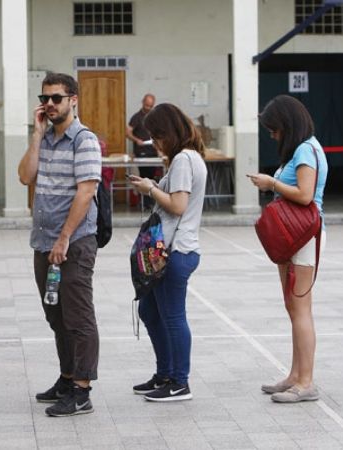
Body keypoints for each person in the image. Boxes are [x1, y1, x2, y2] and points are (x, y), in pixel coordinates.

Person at [17, 72, 102, 417]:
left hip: (74, 243)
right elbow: (25, 176)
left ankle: (82, 390)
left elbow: (86, 192)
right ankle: (67, 378)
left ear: (73, 100)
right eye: (45, 98)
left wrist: (65, 237)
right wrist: (37, 135)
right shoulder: (47, 138)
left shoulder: (84, 140)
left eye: (56, 98)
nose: (49, 104)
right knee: (56, 315)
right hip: (44, 242)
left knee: (79, 317)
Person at [247, 94, 328, 403]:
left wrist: (271, 184)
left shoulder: (306, 150)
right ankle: (295, 374)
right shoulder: (301, 149)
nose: (273, 135)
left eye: (274, 129)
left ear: (287, 124)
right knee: (294, 307)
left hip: (304, 235)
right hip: (295, 235)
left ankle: (306, 381)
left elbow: (305, 195)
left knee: (301, 308)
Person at [128, 103, 207, 402]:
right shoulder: (186, 159)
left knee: (173, 316)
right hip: (171, 250)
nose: (157, 143)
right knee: (149, 310)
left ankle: (179, 381)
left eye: (158, 136)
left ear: (170, 132)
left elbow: (177, 205)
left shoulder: (185, 160)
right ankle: (165, 374)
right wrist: (151, 185)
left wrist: (150, 189)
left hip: (176, 251)